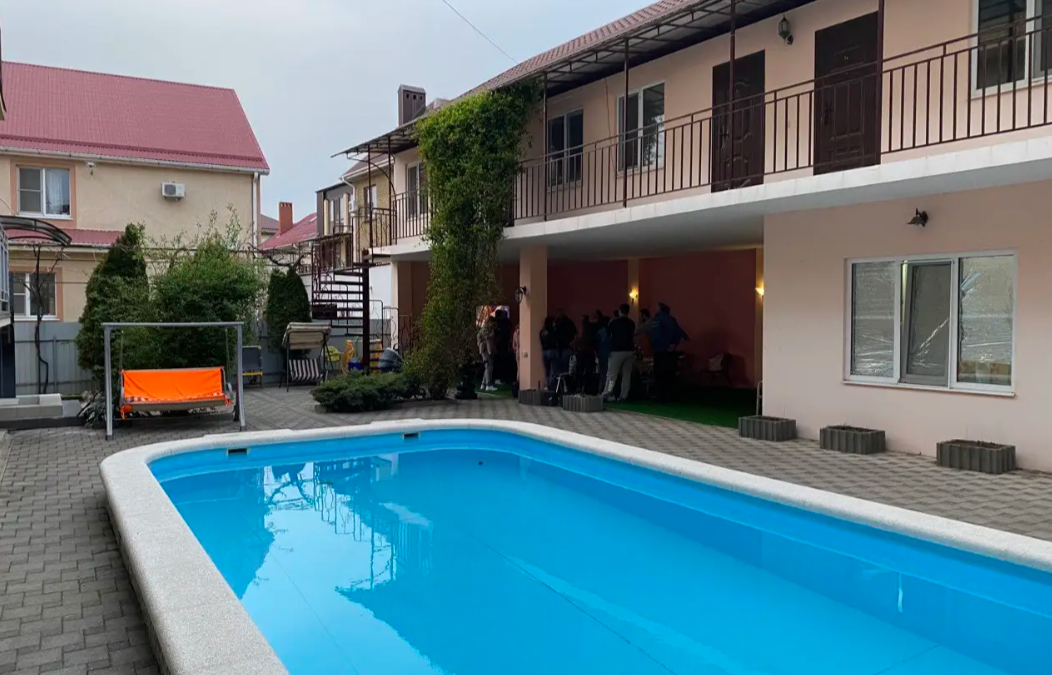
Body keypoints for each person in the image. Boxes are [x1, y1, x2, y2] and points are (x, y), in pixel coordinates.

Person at [638, 303, 689, 399]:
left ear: (660, 309)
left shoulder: (656, 320)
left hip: (659, 350)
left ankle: (660, 395)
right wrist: (674, 343)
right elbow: (679, 332)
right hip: (670, 352)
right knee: (669, 374)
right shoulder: (671, 319)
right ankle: (669, 395)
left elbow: (647, 331)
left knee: (659, 374)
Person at [602, 304, 636, 402]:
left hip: (616, 351)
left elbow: (608, 335)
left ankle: (607, 393)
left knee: (612, 375)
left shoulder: (614, 322)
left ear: (619, 311)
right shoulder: (632, 323)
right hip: (629, 351)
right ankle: (623, 395)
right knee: (626, 375)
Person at [554, 310, 577, 380]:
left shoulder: (558, 323)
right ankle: (568, 381)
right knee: (569, 367)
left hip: (561, 348)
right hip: (567, 347)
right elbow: (575, 333)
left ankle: (564, 382)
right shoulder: (569, 322)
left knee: (562, 368)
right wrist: (572, 342)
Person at [539, 316, 560, 390]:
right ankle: (552, 387)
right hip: (552, 351)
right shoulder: (552, 331)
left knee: (547, 370)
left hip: (544, 352)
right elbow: (555, 340)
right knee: (553, 370)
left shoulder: (542, 332)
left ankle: (547, 385)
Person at [477, 316, 497, 391]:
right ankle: (488, 385)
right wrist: (491, 334)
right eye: (492, 323)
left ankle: (483, 384)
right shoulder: (485, 329)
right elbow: (487, 338)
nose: (493, 325)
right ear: (489, 322)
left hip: (486, 349)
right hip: (485, 349)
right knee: (488, 366)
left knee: (488, 366)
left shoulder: (488, 328)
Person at [594, 310, 611, 393]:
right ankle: (609, 391)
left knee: (603, 374)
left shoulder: (599, 332)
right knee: (611, 375)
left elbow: (596, 343)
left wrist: (596, 353)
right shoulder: (610, 331)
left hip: (602, 354)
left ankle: (600, 392)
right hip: (610, 355)